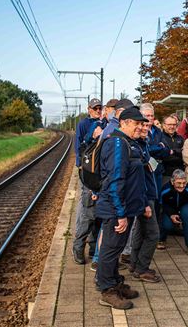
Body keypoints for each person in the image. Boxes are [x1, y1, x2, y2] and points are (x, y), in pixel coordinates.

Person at [95, 106, 148, 310]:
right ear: (124, 123)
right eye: (136, 123)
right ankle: (107, 290)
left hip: (126, 208)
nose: (140, 127)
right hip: (116, 209)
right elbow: (115, 181)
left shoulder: (127, 142)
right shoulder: (117, 143)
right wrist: (120, 214)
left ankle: (115, 282)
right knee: (110, 249)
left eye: (142, 123)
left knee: (115, 248)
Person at [72, 98, 104, 265]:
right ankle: (78, 247)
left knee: (98, 215)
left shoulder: (104, 123)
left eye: (100, 107)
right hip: (88, 173)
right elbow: (80, 145)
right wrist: (80, 167)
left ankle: (93, 248)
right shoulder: (84, 124)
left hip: (100, 173)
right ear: (89, 109)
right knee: (87, 213)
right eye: (95, 108)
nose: (98, 110)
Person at [130, 116, 161, 283]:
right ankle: (141, 268)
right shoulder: (134, 146)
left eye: (147, 125)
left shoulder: (143, 145)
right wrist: (145, 202)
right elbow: (139, 177)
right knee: (153, 234)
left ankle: (135, 265)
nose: (145, 128)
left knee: (140, 232)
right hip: (144, 196)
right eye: (141, 124)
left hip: (148, 194)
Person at [159, 170, 188, 256]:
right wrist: (171, 214)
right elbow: (162, 203)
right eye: (178, 183)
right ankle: (162, 240)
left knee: (186, 217)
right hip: (170, 207)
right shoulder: (165, 189)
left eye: (184, 183)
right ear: (172, 181)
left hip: (185, 205)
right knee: (167, 226)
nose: (182, 186)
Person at [161, 115, 185, 186]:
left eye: (174, 124)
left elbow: (184, 153)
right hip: (165, 174)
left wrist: (172, 151)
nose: (172, 127)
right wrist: (178, 152)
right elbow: (162, 154)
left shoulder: (180, 138)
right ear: (164, 125)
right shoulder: (160, 137)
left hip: (180, 173)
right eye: (169, 124)